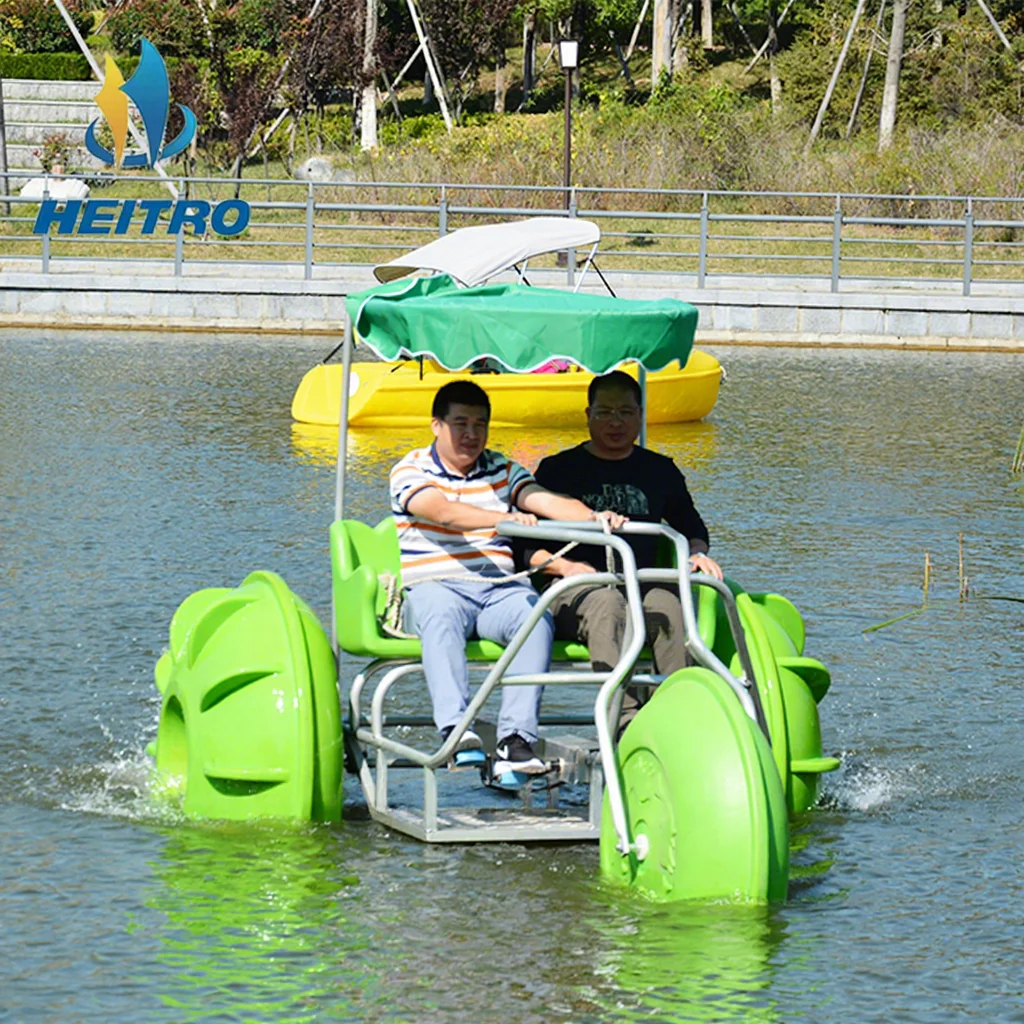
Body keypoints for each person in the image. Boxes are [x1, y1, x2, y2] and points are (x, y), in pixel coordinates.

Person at [391, 379, 623, 777]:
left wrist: (593, 518)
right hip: (437, 585)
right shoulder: (410, 469)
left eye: (479, 424)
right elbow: (442, 512)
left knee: (534, 615)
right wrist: (502, 519)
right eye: (460, 423)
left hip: (498, 591)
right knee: (441, 614)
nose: (471, 434)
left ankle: (515, 740)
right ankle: (456, 729)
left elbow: (542, 500)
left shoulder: (501, 468)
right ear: (436, 425)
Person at [522, 370, 723, 722]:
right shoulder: (557, 471)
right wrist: (567, 569)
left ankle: (676, 714)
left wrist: (697, 553)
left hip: (640, 582)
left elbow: (691, 527)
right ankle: (624, 721)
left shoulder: (660, 471)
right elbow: (526, 550)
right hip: (577, 589)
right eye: (605, 412)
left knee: (668, 603)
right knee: (608, 603)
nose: (615, 422)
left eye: (626, 413)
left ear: (640, 416)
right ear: (588, 415)